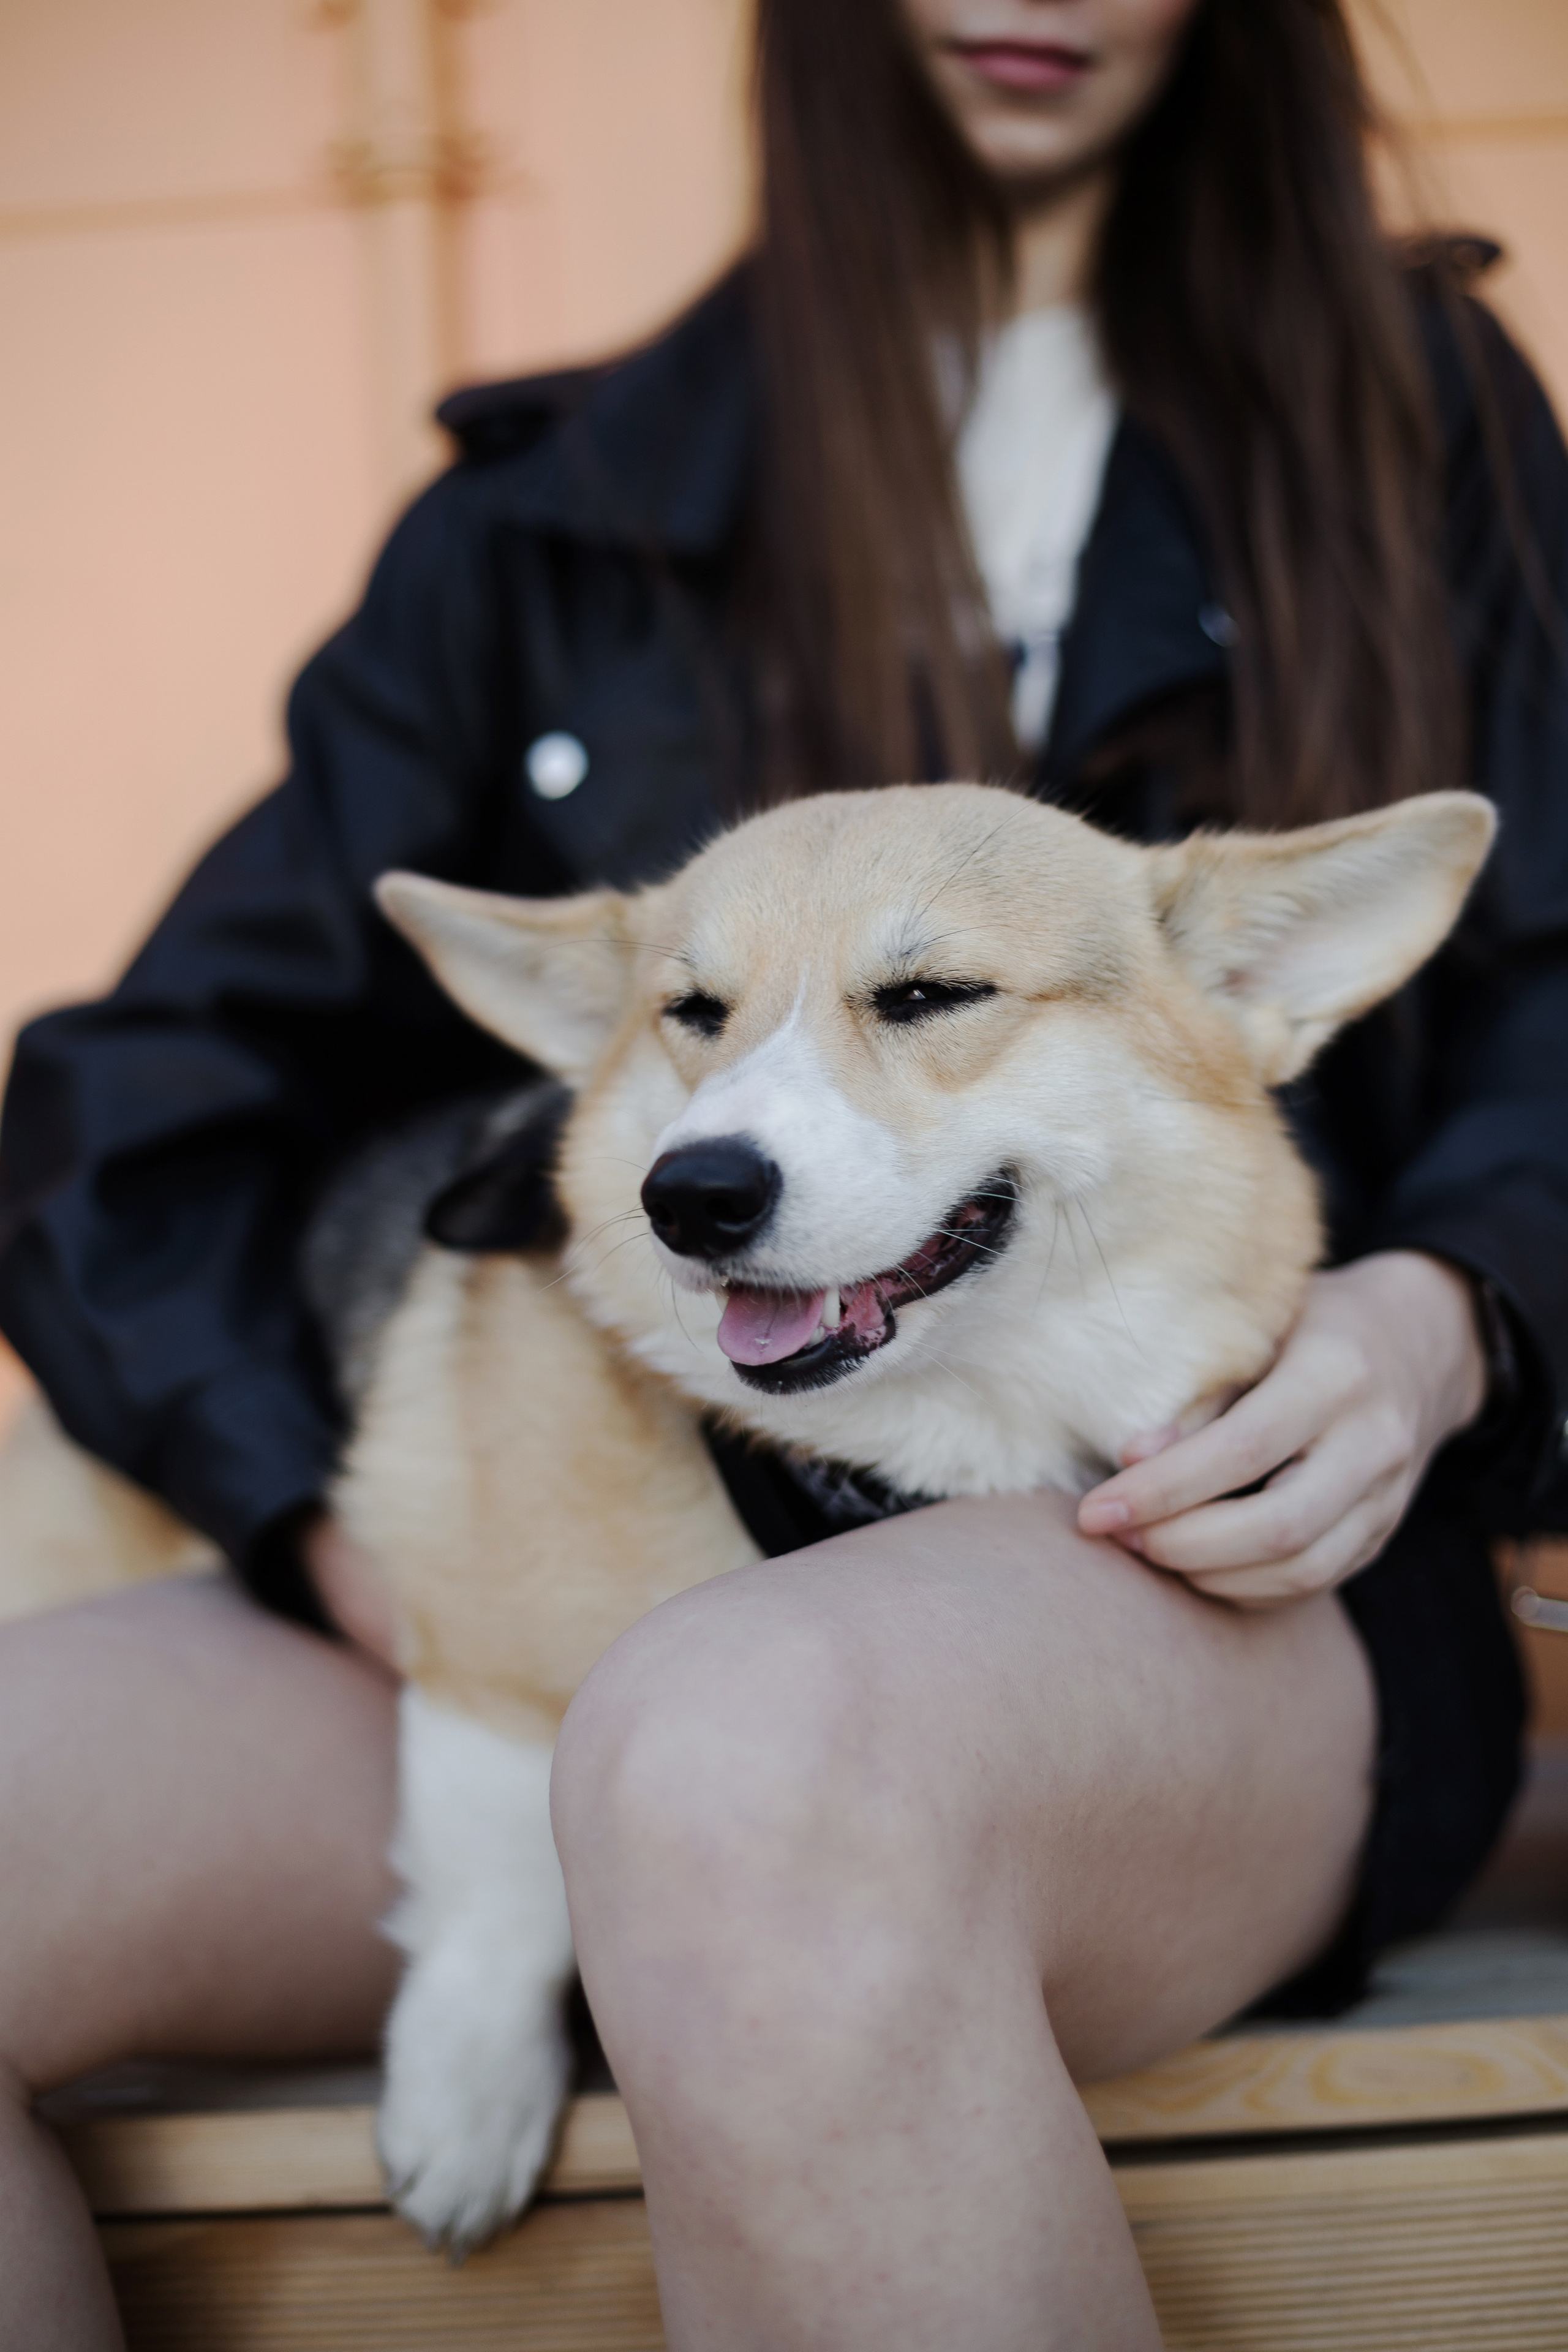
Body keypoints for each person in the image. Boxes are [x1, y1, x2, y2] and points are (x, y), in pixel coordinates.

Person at [1, 0, 1565, 2341]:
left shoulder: (1425, 420)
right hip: (591, 1531)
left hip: (1213, 1554)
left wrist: (1447, 1316)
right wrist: (334, 1537)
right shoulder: (543, 507)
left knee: (737, 1756)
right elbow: (140, 1106)